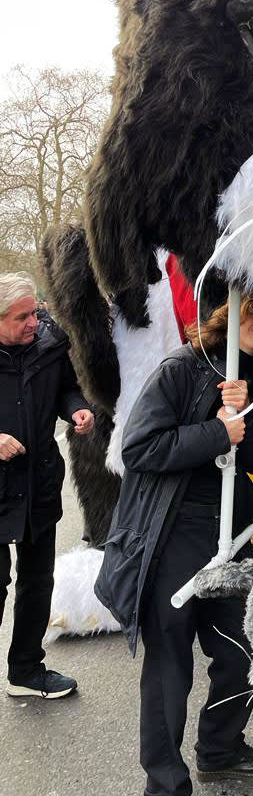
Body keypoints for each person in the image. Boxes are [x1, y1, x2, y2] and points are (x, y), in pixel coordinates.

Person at [96, 296, 253, 796]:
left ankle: (220, 750)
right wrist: (215, 432)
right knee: (171, 662)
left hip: (231, 538)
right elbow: (138, 448)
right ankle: (164, 781)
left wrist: (246, 414)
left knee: (243, 650)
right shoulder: (182, 368)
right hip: (173, 533)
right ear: (229, 316)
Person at [0, 273, 94, 700]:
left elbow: (67, 391)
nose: (32, 322)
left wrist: (77, 410)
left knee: (37, 581)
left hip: (38, 483)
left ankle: (26, 670)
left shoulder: (50, 344)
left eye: (34, 312)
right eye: (21, 318)